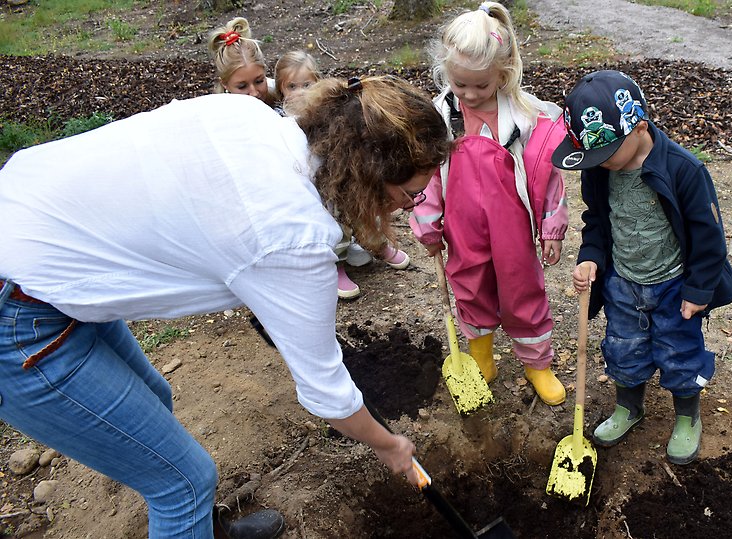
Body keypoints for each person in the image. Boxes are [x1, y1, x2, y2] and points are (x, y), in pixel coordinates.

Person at [0, 75, 450, 538]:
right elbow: (328, 393)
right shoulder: (293, 237)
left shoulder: (251, 117)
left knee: (155, 399)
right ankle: (188, 515)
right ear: (367, 174)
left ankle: (201, 529)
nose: (405, 208)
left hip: (40, 236)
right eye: (407, 195)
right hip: (19, 310)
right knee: (183, 484)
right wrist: (389, 444)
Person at [555, 70, 732, 464]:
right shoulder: (599, 170)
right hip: (623, 283)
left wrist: (698, 290)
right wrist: (590, 256)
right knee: (624, 349)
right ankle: (629, 407)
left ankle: (688, 416)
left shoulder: (683, 170)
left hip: (674, 286)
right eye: (593, 157)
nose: (600, 164)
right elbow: (598, 222)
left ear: (638, 126)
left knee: (680, 352)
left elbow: (709, 236)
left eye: (606, 155)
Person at [410, 1, 569, 405]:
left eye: (481, 85)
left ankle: (537, 362)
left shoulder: (526, 117)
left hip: (511, 222)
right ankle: (481, 354)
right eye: (459, 83)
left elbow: (546, 173)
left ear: (504, 72)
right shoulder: (443, 114)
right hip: (462, 224)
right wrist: (428, 223)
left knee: (522, 288)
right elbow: (427, 175)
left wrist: (551, 226)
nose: (469, 93)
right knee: (469, 283)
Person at [273, 50, 413, 299]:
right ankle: (335, 267)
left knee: (362, 211)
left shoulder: (324, 111)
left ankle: (378, 245)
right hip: (312, 189)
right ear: (281, 90)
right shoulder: (282, 122)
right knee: (331, 226)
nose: (300, 91)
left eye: (307, 84)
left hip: (339, 179)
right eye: (292, 86)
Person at [208, 17, 276, 106]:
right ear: (225, 84)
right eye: (242, 87)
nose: (254, 93)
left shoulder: (282, 102)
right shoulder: (217, 116)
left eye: (259, 81)